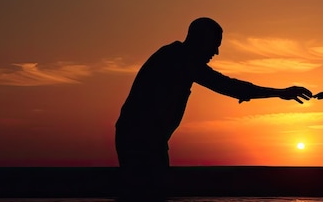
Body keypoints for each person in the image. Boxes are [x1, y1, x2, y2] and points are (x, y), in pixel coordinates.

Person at [115, 17, 312, 175]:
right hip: (140, 141)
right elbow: (227, 85)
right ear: (200, 40)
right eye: (214, 45)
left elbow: (229, 86)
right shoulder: (179, 59)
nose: (216, 52)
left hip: (148, 140)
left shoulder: (176, 56)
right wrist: (279, 93)